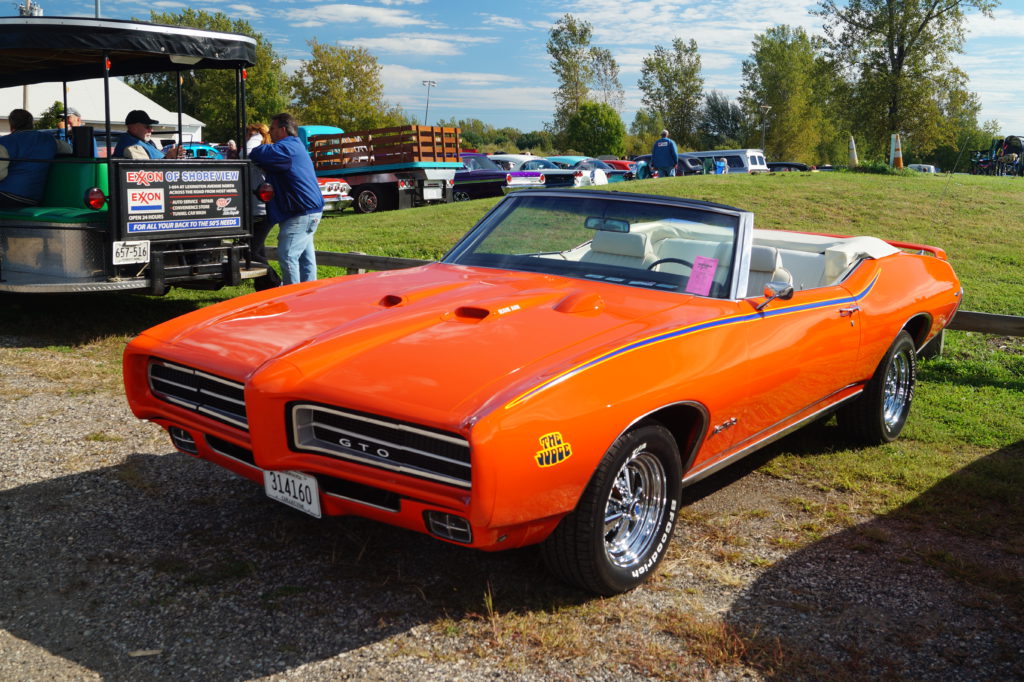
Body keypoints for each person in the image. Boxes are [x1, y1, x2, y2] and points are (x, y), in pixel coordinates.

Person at [248, 112, 324, 285]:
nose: (270, 132)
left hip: (300, 212)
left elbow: (254, 153)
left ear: (283, 130)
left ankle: (292, 295)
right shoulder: (295, 146)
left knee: (288, 255)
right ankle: (309, 293)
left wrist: (256, 139)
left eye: (272, 128)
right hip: (309, 210)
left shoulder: (285, 149)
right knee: (305, 259)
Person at [0, 108, 72, 208]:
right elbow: (69, 149)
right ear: (31, 123)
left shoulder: (5, 143)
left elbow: (1, 174)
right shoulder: (49, 140)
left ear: (11, 125)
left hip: (6, 195)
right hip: (34, 198)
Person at [245, 122, 281, 290]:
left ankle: (275, 282)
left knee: (251, 252)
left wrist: (256, 135)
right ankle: (264, 287)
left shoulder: (260, 151)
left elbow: (246, 152)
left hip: (261, 209)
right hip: (253, 209)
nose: (246, 138)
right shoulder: (262, 150)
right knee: (259, 250)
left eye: (248, 134)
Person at [113, 110, 182, 159]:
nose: (151, 130)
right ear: (134, 128)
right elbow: (145, 169)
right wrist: (168, 157)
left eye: (151, 127)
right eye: (147, 127)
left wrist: (171, 155)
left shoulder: (143, 141)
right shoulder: (132, 146)